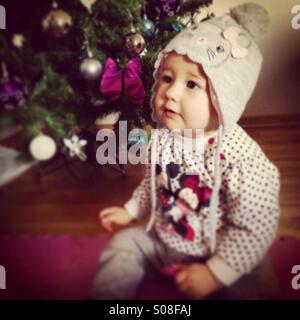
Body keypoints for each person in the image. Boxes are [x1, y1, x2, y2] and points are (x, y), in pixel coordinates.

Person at [90, 3, 280, 300]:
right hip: (165, 242)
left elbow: (254, 227)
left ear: (224, 99)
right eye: (167, 78)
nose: (171, 92)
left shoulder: (242, 160)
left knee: (254, 284)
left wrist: (215, 273)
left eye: (192, 83)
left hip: (222, 251)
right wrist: (130, 211)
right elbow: (154, 183)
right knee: (124, 245)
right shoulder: (163, 138)